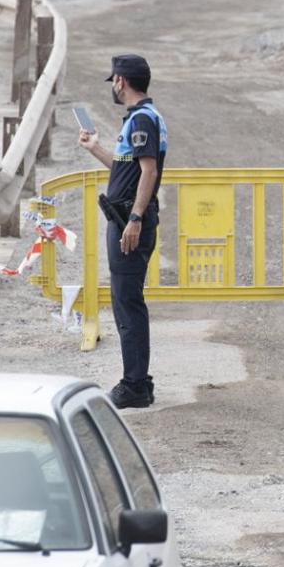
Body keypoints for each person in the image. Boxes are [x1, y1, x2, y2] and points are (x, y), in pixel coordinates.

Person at [78, 54, 168, 409]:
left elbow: (148, 172)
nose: (113, 86)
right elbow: (124, 169)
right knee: (125, 302)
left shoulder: (143, 119)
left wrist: (134, 218)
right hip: (127, 218)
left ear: (121, 81)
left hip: (129, 222)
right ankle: (137, 381)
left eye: (113, 80)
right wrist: (94, 147)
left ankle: (135, 385)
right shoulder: (140, 118)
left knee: (128, 304)